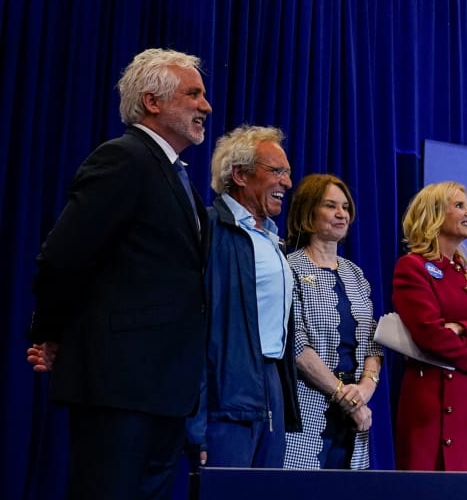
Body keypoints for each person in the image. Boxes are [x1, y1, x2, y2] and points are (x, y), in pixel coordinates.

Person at [26, 48, 211, 499]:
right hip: (120, 386)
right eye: (194, 94)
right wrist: (51, 334)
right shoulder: (124, 159)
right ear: (153, 101)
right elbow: (63, 255)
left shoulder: (174, 173)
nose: (206, 106)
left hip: (163, 388)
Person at [187, 125, 302, 468]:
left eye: (288, 172)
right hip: (226, 394)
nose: (287, 183)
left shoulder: (272, 239)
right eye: (277, 171)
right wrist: (196, 423)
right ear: (239, 174)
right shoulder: (208, 229)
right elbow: (193, 329)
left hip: (271, 388)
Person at [391, 181, 467, 471]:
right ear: (434, 213)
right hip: (435, 410)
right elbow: (429, 334)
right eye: (459, 206)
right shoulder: (412, 267)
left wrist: (464, 328)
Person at [283, 174, 384, 470]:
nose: (341, 214)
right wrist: (344, 396)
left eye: (345, 207)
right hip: (307, 412)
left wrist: (365, 388)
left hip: (355, 419)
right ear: (308, 211)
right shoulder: (290, 267)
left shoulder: (356, 275)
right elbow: (296, 345)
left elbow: (372, 342)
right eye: (330, 206)